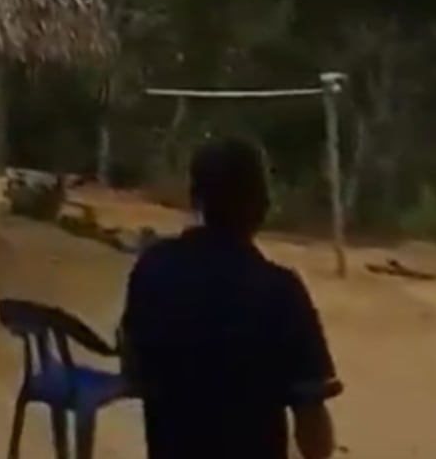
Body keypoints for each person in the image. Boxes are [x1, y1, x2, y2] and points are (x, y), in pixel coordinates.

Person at [120, 137, 342, 459]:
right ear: (262, 205)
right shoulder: (281, 293)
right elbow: (315, 435)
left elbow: (134, 373)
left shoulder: (153, 269)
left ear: (196, 198)